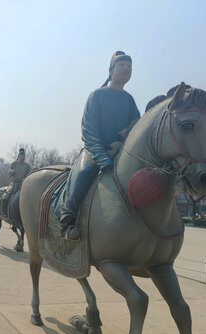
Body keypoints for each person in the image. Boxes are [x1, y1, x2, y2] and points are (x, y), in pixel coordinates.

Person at [55, 51, 140, 240]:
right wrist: (102, 156)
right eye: (122, 65)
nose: (127, 69)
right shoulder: (97, 95)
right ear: (110, 70)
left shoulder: (129, 100)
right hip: (95, 151)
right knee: (83, 173)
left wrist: (123, 141)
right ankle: (67, 220)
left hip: (121, 153)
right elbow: (88, 130)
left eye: (130, 66)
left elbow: (137, 127)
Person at [2, 148, 32, 218]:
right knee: (5, 197)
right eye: (21, 156)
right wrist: (11, 172)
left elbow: (30, 174)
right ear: (19, 156)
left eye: (24, 156)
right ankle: (4, 212)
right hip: (14, 183)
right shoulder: (14, 164)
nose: (23, 158)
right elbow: (9, 174)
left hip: (23, 184)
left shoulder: (27, 165)